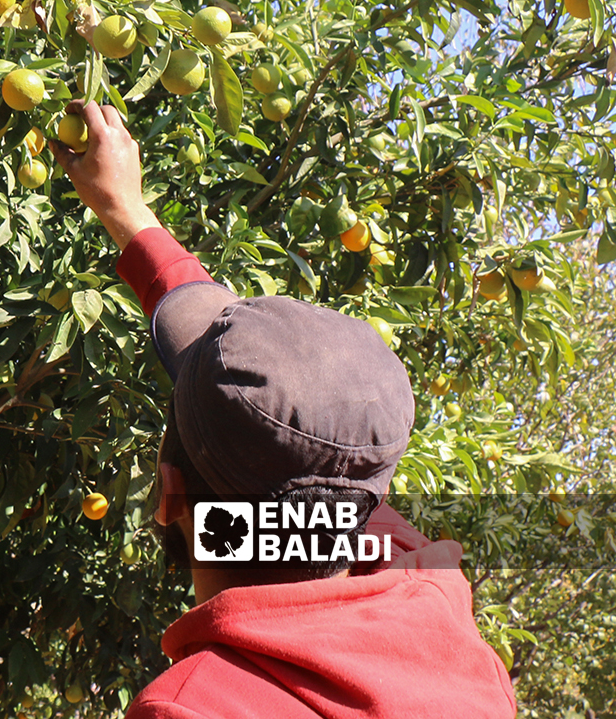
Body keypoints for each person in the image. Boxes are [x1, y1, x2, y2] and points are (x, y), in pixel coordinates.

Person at [48, 101, 516, 718]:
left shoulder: (194, 709)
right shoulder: (445, 627)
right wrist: (128, 213)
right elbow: (306, 432)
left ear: (165, 495)